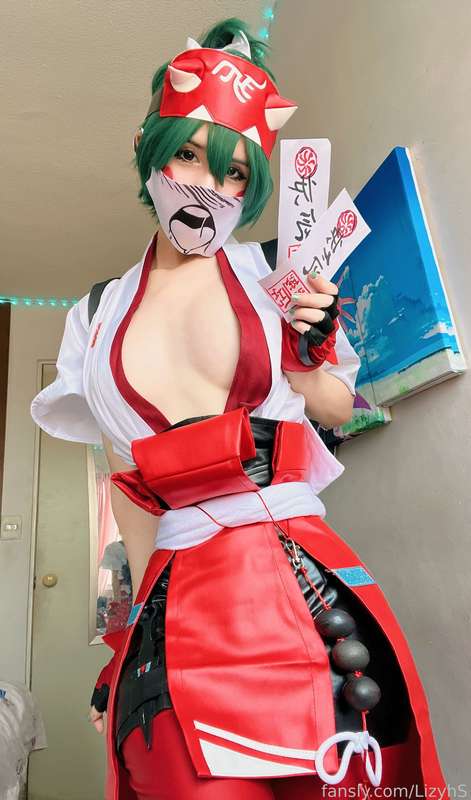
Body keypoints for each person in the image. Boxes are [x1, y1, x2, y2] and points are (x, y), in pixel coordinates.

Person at [30, 17, 448, 800]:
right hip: (177, 602)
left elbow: (334, 408)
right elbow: (131, 490)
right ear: (149, 149)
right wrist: (123, 646)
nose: (205, 185)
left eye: (231, 173)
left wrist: (308, 355)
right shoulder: (93, 315)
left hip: (298, 581)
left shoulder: (276, 274)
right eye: (187, 156)